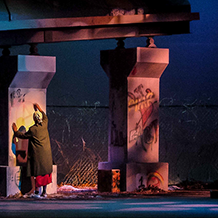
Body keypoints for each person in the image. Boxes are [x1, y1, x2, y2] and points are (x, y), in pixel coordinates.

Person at [12, 103, 53, 198]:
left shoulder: (33, 129)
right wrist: (38, 108)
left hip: (38, 154)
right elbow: (45, 116)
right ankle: (44, 192)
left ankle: (37, 192)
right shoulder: (44, 124)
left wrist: (15, 131)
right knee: (45, 173)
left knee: (37, 173)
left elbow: (23, 136)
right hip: (46, 154)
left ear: (34, 119)